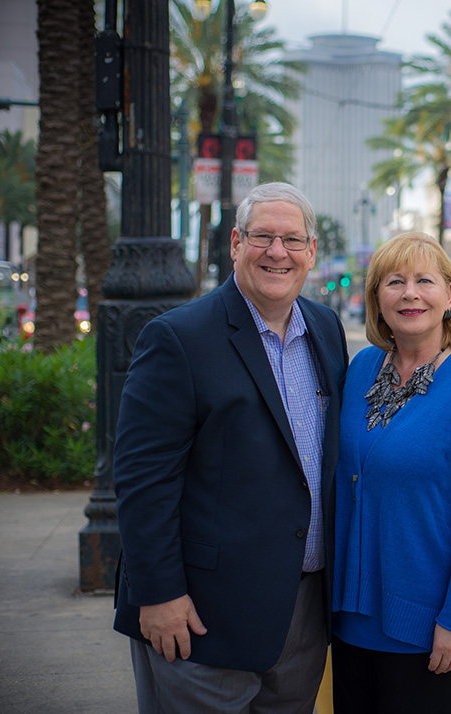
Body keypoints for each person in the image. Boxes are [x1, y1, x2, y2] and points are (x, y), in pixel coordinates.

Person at [113, 182, 349, 713]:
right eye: (263, 236)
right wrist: (158, 593)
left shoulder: (327, 330)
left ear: (311, 252)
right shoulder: (178, 337)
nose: (277, 252)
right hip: (201, 618)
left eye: (292, 240)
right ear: (236, 244)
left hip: (302, 613)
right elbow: (142, 479)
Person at [331, 231, 451, 713]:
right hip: (350, 618)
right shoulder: (361, 371)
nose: (410, 293)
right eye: (394, 281)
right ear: (377, 299)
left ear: (450, 296)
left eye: (425, 281)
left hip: (431, 628)